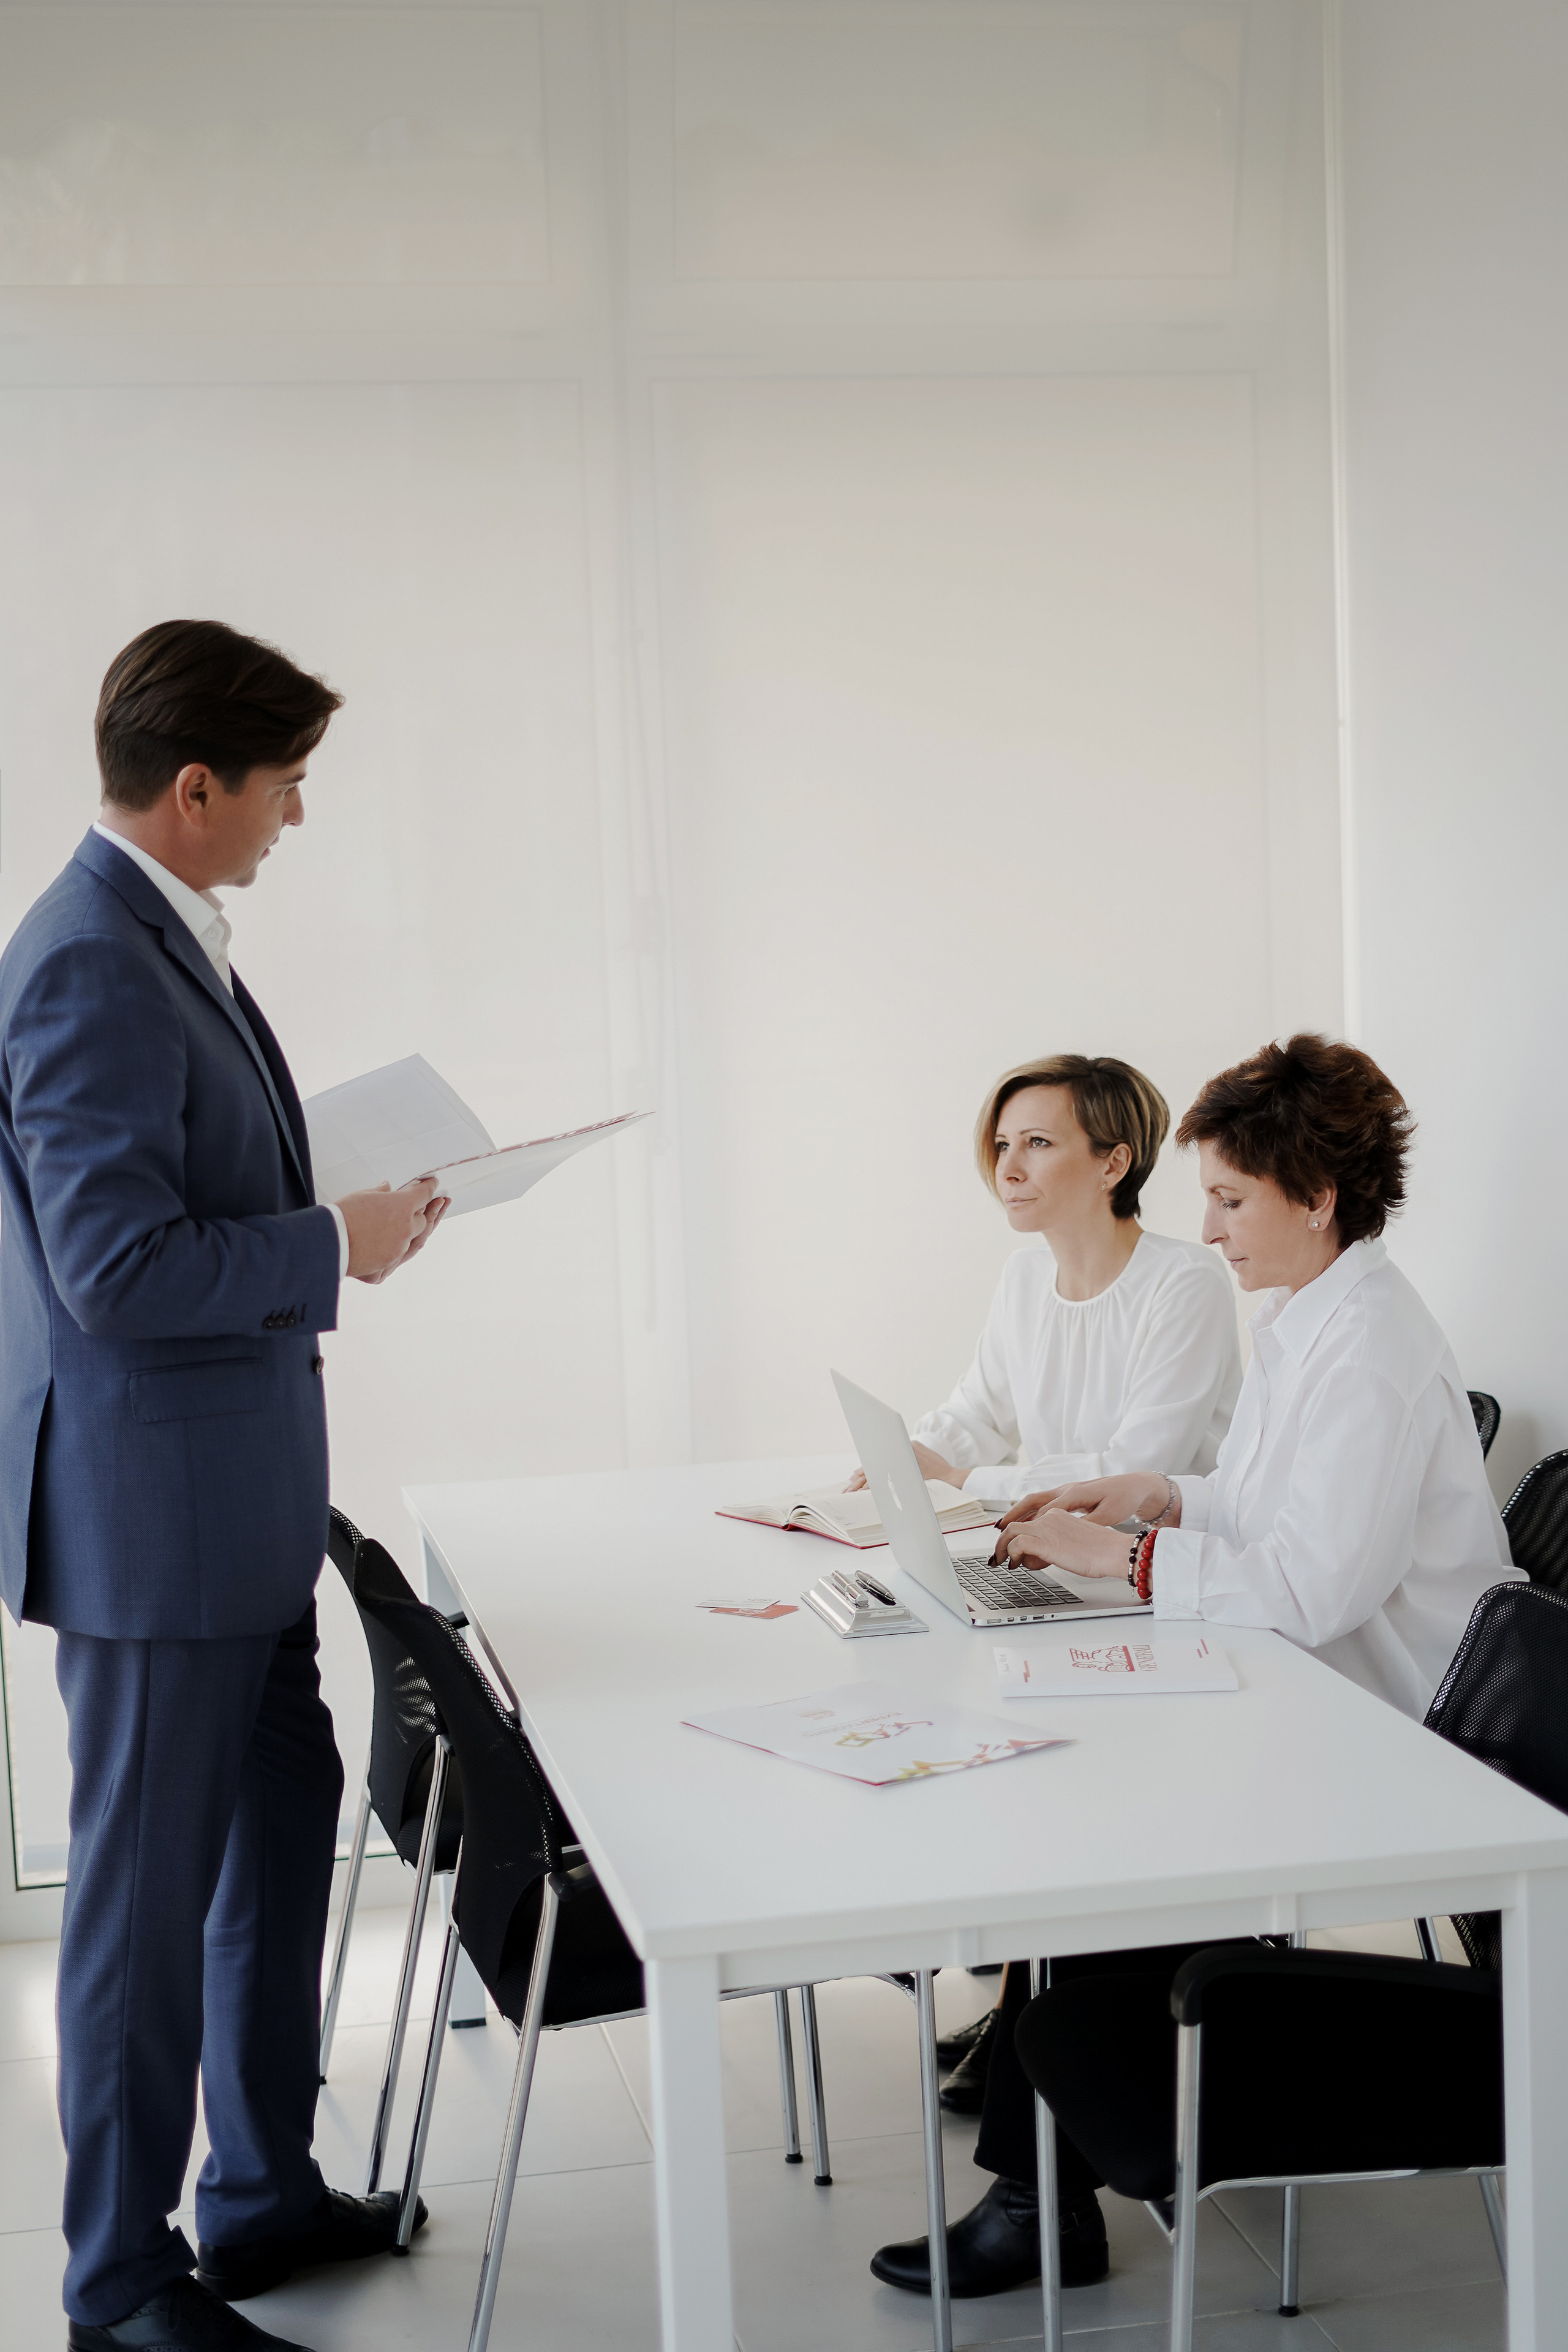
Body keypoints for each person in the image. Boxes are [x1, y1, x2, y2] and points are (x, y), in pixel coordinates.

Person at [870, 1033, 1517, 2304]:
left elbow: (1305, 1586)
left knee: (1099, 1840)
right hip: (1311, 1691)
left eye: (1227, 1198)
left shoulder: (1372, 1349)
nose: (1206, 1228)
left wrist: (1130, 1561)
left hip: (1400, 1742)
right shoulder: (1311, 1318)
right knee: (1085, 1817)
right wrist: (1159, 1493)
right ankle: (1041, 2190)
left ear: (1315, 1198)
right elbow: (1266, 1511)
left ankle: (1037, 2200)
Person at [0, 622, 450, 2352]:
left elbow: (176, 1186)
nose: (295, 818)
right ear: (198, 789)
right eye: (285, 787)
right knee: (141, 1907)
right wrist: (334, 1242)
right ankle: (120, 2289)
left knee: (276, 1842)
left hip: (235, 1511)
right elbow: (112, 1268)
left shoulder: (158, 937)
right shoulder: (86, 959)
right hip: (155, 1533)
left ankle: (259, 2195)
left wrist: (318, 1207)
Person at [854, 1053, 1242, 1509]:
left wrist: (959, 1480)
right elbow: (979, 1415)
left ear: (1114, 1165)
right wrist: (911, 1460)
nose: (1008, 1169)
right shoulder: (1025, 1276)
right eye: (1002, 1145)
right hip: (1054, 1544)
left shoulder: (1186, 1281)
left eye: (1037, 1142)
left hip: (1156, 1562)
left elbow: (1133, 1474)